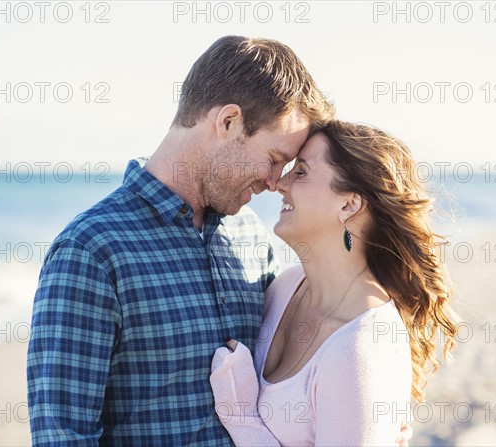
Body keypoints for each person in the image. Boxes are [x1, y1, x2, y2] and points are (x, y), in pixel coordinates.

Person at [26, 35, 335, 446]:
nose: (274, 182)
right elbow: (63, 437)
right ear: (228, 122)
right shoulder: (92, 251)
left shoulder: (250, 238)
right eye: (275, 159)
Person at [210, 120, 459, 446]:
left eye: (300, 172)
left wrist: (242, 419)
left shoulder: (361, 346)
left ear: (349, 204)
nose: (279, 184)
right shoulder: (285, 287)